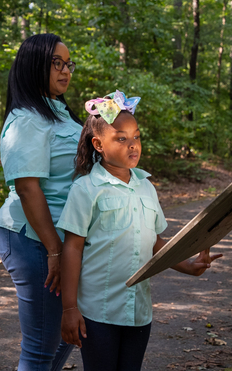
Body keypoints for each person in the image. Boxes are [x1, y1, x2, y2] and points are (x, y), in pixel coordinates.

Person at [57, 92, 222, 371]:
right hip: (99, 312)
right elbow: (72, 248)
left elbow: (155, 243)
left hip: (138, 313)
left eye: (137, 137)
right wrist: (70, 308)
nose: (133, 145)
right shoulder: (86, 190)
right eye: (121, 138)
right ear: (98, 144)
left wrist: (189, 265)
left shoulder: (147, 187)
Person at [0, 33, 82, 371]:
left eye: (68, 64)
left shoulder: (62, 113)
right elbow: (28, 188)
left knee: (67, 335)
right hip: (34, 239)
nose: (65, 71)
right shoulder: (26, 120)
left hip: (61, 239)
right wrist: (55, 250)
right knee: (40, 349)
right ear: (34, 66)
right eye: (56, 63)